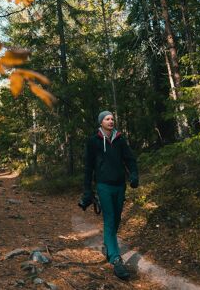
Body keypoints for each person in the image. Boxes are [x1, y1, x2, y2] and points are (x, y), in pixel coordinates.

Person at [81, 110, 139, 280]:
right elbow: (88, 167)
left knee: (117, 219)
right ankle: (115, 258)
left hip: (120, 186)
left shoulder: (120, 139)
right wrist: (87, 189)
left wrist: (134, 175)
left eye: (112, 118)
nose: (111, 121)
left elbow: (130, 159)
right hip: (103, 186)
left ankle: (109, 245)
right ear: (101, 122)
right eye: (107, 119)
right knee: (110, 219)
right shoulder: (93, 141)